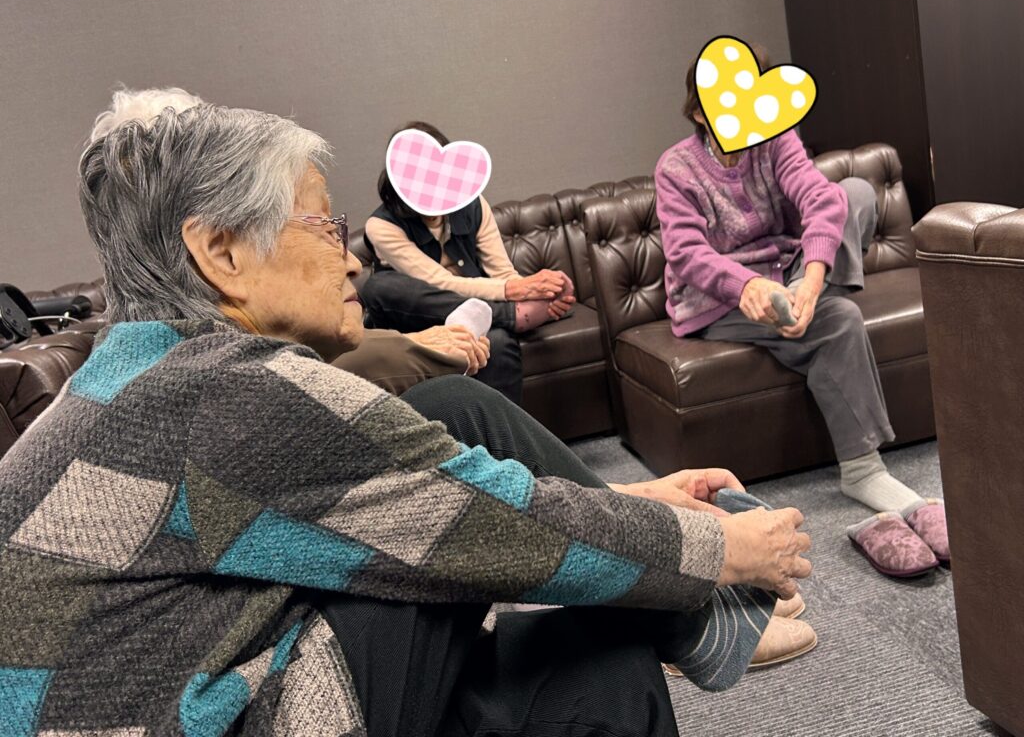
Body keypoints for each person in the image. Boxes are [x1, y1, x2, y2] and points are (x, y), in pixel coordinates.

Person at [0, 89, 812, 737]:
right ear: (221, 252)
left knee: (582, 637)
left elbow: (416, 507)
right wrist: (725, 549)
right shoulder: (230, 395)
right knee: (499, 548)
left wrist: (635, 505)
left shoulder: (131, 379)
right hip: (218, 710)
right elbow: (473, 521)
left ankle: (676, 613)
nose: (350, 259)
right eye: (325, 223)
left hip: (212, 678)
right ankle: (687, 612)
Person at [656, 44, 936, 519]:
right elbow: (686, 253)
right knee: (840, 318)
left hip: (786, 269)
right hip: (716, 297)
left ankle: (807, 303)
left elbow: (819, 199)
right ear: (699, 114)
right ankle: (863, 471)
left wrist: (810, 280)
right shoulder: (675, 168)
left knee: (853, 193)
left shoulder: (775, 136)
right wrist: (746, 287)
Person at [359, 121, 576, 404]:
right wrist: (518, 302)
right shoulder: (381, 226)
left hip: (478, 311)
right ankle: (510, 316)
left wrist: (538, 293)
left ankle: (502, 433)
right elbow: (438, 281)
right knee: (379, 286)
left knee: (498, 342)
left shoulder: (473, 203)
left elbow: (501, 271)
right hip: (420, 314)